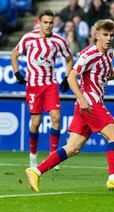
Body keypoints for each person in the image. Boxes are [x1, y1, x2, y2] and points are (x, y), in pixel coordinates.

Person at [25, 19, 114, 193]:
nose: (108, 39)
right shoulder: (89, 53)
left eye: (111, 35)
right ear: (97, 35)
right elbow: (71, 76)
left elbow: (105, 76)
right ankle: (113, 178)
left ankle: (36, 171)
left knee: (72, 148)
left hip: (87, 105)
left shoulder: (109, 54)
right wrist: (82, 98)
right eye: (105, 35)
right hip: (90, 103)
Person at [11, 10, 74, 169]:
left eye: (51, 22)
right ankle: (33, 155)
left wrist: (67, 77)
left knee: (56, 118)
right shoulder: (29, 38)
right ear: (39, 22)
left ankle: (53, 157)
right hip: (33, 86)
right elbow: (15, 54)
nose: (48, 25)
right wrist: (17, 73)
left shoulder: (59, 41)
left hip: (50, 85)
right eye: (45, 22)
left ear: (54, 23)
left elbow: (69, 59)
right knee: (35, 123)